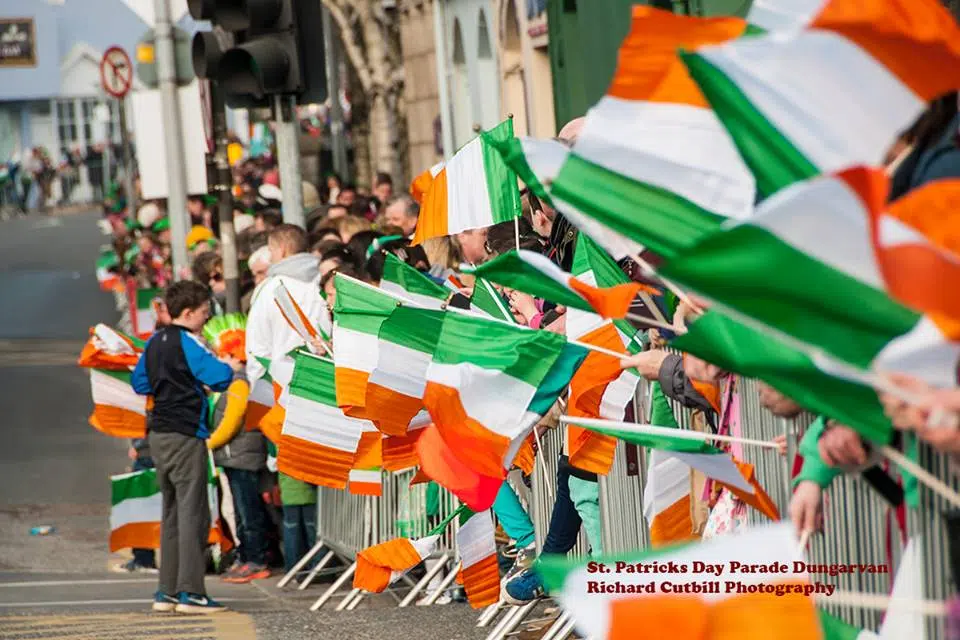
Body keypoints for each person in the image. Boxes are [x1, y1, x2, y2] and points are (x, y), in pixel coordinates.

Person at [131, 282, 242, 613]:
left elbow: (140, 382)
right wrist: (229, 368)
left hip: (159, 434)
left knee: (171, 513)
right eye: (205, 314)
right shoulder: (190, 342)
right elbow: (220, 376)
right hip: (186, 433)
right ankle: (192, 591)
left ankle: (166, 590)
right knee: (194, 513)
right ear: (190, 312)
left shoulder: (154, 342)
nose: (207, 320)